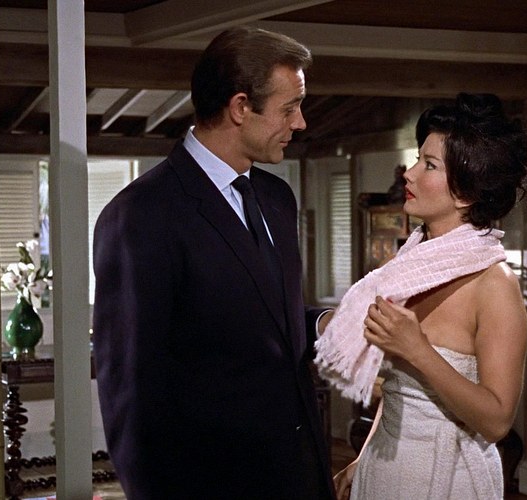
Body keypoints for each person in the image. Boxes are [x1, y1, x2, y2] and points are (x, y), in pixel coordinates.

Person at [92, 26, 334, 499]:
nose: (301, 123)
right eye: (289, 108)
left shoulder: (277, 198)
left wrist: (323, 323)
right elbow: (131, 394)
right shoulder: (142, 215)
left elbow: (259, 320)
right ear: (240, 107)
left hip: (297, 476)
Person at [317, 93, 527, 499]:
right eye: (418, 159)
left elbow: (496, 421)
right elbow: (400, 391)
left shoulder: (494, 285)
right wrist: (363, 459)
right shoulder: (408, 268)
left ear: (465, 192)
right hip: (386, 469)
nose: (409, 173)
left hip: (450, 478)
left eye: (429, 165)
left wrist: (418, 350)